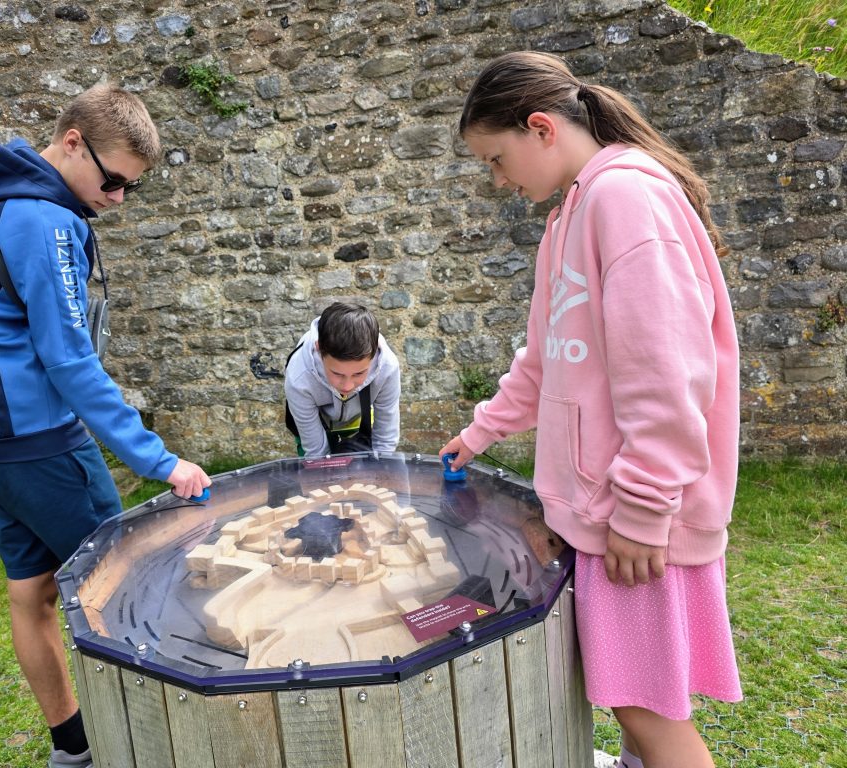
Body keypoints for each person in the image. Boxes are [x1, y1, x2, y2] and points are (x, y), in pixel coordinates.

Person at [439, 52, 742, 768]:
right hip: (607, 512)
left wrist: (642, 507)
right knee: (632, 703)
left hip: (636, 522)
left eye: (496, 158)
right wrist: (479, 433)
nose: (499, 181)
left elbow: (669, 373)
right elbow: (544, 361)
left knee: (651, 712)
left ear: (539, 127)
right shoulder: (568, 221)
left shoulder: (626, 199)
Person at [0, 83, 210, 768]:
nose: (115, 199)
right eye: (113, 180)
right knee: (136, 588)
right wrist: (158, 460)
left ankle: (73, 750)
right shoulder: (43, 220)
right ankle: (159, 748)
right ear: (73, 142)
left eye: (131, 190)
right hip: (46, 443)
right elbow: (68, 358)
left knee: (32, 595)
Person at [284, 301, 401, 457]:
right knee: (317, 470)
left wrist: (381, 473)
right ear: (319, 350)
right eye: (337, 373)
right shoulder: (298, 377)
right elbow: (316, 452)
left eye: (359, 373)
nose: (347, 387)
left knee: (368, 466)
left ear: (373, 355)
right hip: (318, 420)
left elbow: (385, 440)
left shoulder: (388, 367)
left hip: (359, 417)